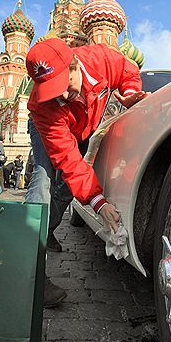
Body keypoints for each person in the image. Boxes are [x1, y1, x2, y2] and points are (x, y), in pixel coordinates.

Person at [25, 38, 148, 306]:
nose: (62, 96)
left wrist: (128, 94)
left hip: (82, 129)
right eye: (51, 90)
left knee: (67, 188)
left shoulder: (102, 59)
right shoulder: (43, 105)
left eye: (63, 85)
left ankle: (46, 230)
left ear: (74, 65)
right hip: (50, 127)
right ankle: (30, 275)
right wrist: (98, 202)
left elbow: (128, 71)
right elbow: (67, 159)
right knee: (44, 178)